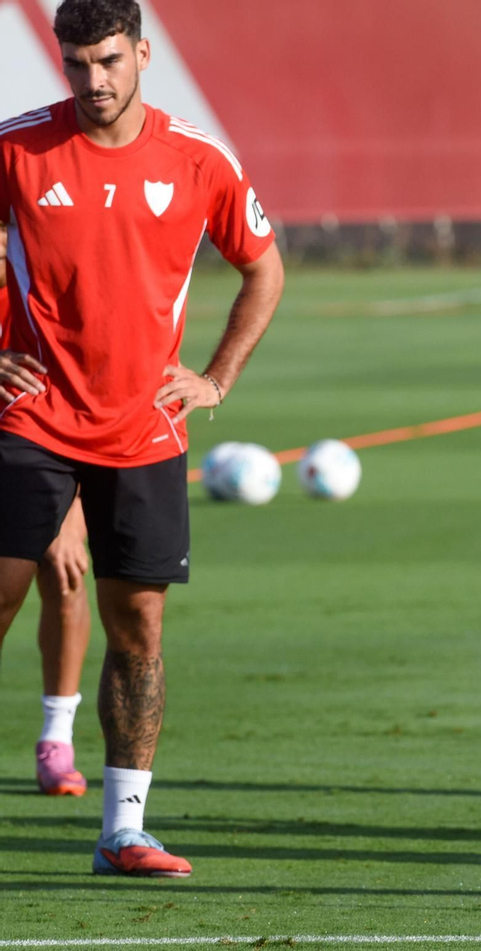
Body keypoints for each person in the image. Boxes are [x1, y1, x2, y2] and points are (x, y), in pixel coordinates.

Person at [0, 0, 284, 875]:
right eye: (77, 63)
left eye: (110, 61)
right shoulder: (15, 146)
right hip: (30, 418)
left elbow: (263, 269)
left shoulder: (200, 158)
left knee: (139, 632)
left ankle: (123, 829)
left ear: (143, 54)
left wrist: (217, 379)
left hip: (144, 430)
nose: (93, 81)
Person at [0, 223, 95, 798]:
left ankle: (57, 740)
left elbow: (92, 393)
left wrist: (74, 509)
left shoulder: (54, 286)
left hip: (43, 449)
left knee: (65, 571)